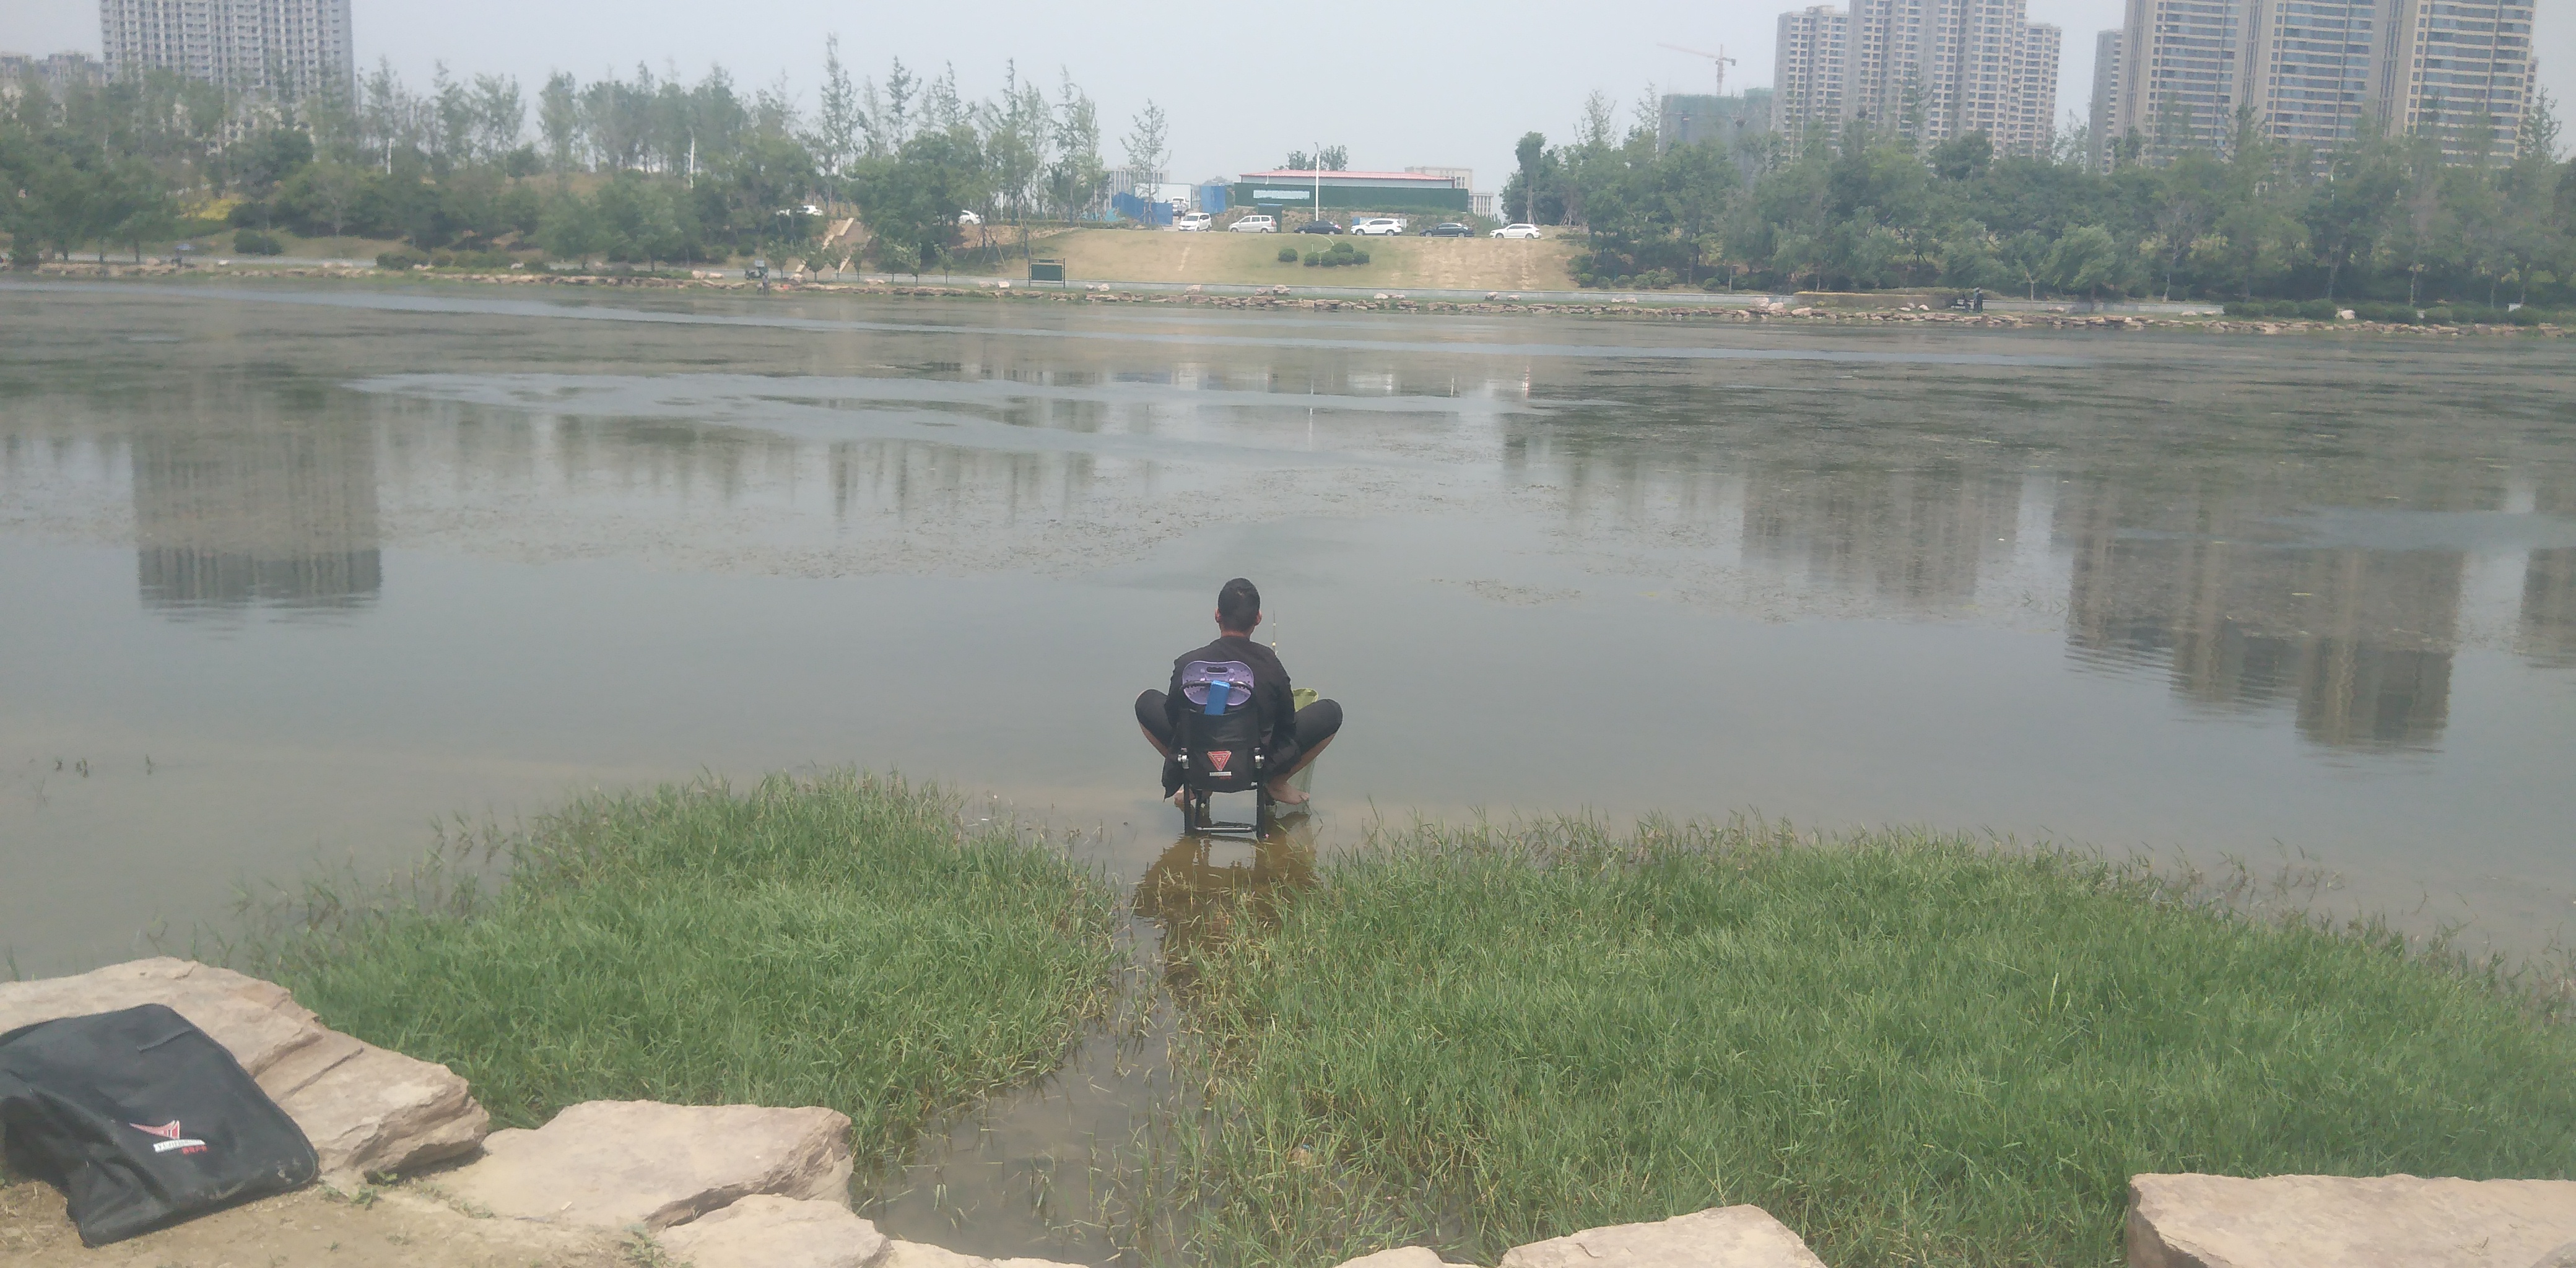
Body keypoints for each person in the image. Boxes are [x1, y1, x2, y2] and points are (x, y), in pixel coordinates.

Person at [1134, 578, 1342, 808]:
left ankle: (1195, 779)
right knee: (1332, 712)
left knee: (1144, 700)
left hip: (1197, 757)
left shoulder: (1188, 664)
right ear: (1258, 618)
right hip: (1257, 764)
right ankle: (1276, 782)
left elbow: (1173, 717)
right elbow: (1287, 723)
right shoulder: (1269, 663)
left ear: (1217, 615)